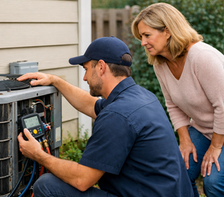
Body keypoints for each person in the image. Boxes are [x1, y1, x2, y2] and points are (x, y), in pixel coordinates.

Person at [17, 36, 193, 197]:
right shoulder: (140, 96)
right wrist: (55, 80)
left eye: (86, 69)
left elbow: (82, 179)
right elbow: (90, 104)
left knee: (47, 185)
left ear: (101, 67)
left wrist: (38, 155)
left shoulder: (118, 115)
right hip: (170, 191)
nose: (85, 77)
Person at [131, 3, 224, 197]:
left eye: (147, 35)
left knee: (213, 182)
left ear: (167, 31)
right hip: (203, 129)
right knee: (176, 173)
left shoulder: (202, 57)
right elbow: (172, 104)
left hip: (220, 130)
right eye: (141, 37)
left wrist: (215, 147)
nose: (143, 43)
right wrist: (185, 139)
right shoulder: (161, 64)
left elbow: (223, 106)